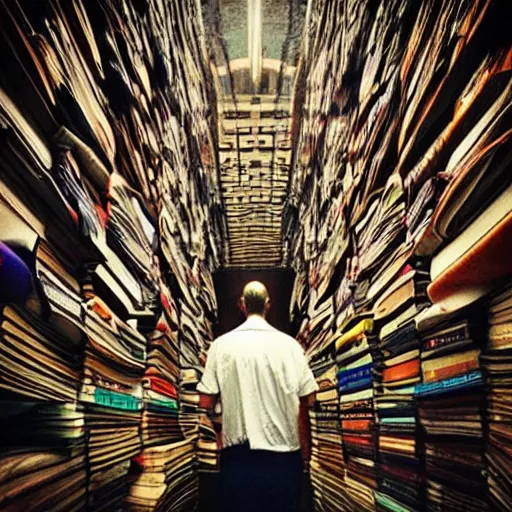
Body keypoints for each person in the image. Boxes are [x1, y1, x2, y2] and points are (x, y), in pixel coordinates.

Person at [197, 281, 318, 512]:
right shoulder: (290, 346)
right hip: (284, 458)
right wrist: (305, 454)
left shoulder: (220, 346)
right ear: (268, 305)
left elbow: (205, 402)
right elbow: (308, 399)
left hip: (239, 460)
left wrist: (222, 428)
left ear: (242, 305)